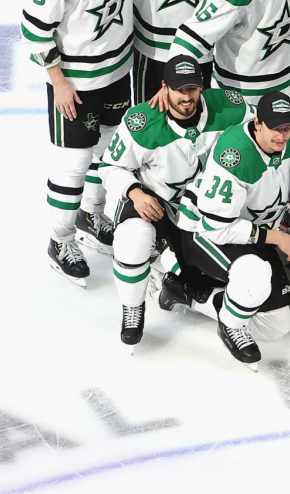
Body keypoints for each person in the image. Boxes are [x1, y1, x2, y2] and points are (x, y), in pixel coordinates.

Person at [98, 56, 253, 348]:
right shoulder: (141, 121)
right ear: (164, 87)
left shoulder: (230, 106)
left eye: (192, 88)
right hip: (155, 201)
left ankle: (171, 274)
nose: (186, 96)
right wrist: (135, 193)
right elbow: (109, 167)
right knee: (133, 238)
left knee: (217, 281)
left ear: (202, 86)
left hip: (203, 209)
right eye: (179, 89)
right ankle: (133, 306)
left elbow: (261, 128)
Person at [23, 0, 133, 284]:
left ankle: (92, 213)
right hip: (77, 81)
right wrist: (59, 81)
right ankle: (60, 238)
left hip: (119, 69)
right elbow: (34, 29)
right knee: (72, 164)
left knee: (107, 150)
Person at [175, 91, 290, 370]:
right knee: (256, 274)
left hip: (250, 228)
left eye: (287, 127)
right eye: (275, 128)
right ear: (258, 123)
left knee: (277, 325)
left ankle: (196, 294)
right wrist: (277, 237)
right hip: (203, 230)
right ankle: (230, 323)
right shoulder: (234, 157)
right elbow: (217, 230)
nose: (282, 136)